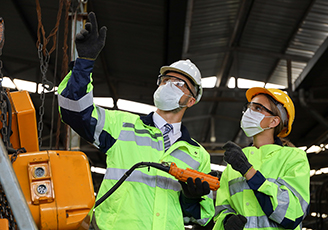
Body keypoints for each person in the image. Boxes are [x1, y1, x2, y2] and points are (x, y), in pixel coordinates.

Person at [57, 12, 215, 230]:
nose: (168, 85)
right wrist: (84, 63)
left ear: (191, 100)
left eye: (178, 83)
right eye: (165, 79)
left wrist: (190, 199)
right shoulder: (122, 125)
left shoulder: (199, 156)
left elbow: (202, 218)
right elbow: (73, 110)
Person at [213, 87, 310, 230]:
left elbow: (292, 214)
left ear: (274, 121)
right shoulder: (236, 161)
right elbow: (221, 210)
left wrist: (249, 172)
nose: (249, 112)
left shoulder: (294, 158)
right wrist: (226, 221)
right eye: (248, 107)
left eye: (258, 108)